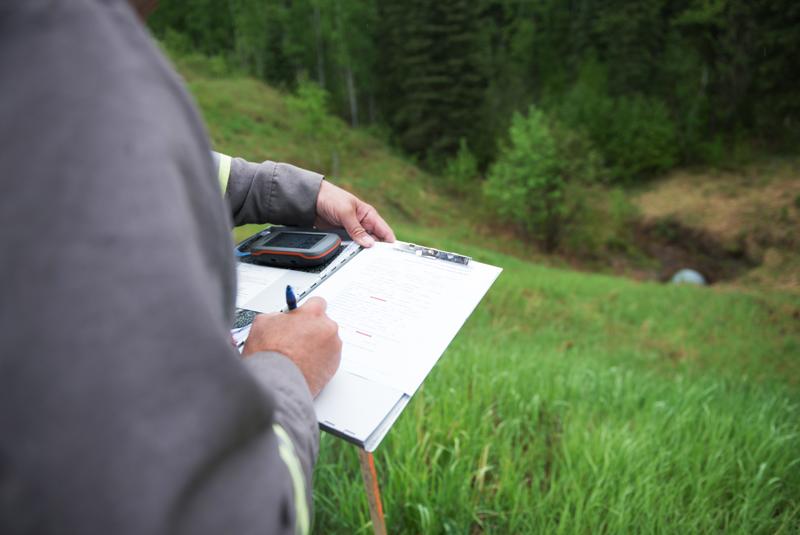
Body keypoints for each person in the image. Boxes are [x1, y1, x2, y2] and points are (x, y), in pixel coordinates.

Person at [0, 0, 394, 533]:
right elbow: (210, 513)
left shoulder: (55, 45)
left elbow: (183, 171)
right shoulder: (68, 76)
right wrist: (285, 371)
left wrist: (301, 193)